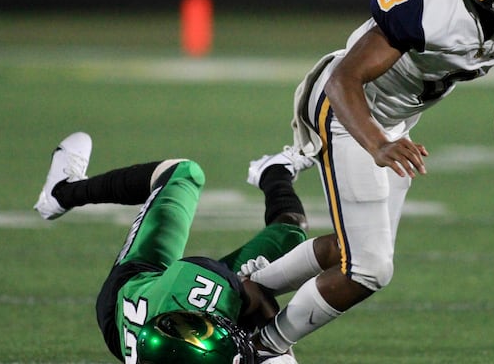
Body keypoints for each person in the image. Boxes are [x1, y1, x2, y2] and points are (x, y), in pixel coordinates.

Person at [244, 0, 494, 358]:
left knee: (352, 247)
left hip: (393, 124)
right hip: (347, 111)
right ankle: (262, 345)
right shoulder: (429, 2)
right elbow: (344, 80)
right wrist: (377, 144)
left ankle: (250, 287)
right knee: (369, 268)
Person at [33, 131, 324, 364]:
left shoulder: (200, 290)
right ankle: (274, 172)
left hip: (131, 289)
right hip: (167, 319)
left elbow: (254, 295)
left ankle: (62, 191)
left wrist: (272, 336)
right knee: (290, 237)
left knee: (183, 173)